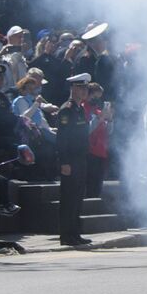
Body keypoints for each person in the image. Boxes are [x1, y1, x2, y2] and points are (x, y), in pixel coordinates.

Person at [55, 72, 93, 247]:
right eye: (80, 87)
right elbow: (62, 138)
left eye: (85, 87)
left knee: (77, 198)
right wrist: (64, 162)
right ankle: (66, 235)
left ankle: (75, 233)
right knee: (69, 198)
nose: (84, 91)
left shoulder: (79, 109)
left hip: (80, 159)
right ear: (73, 88)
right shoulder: (67, 109)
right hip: (70, 160)